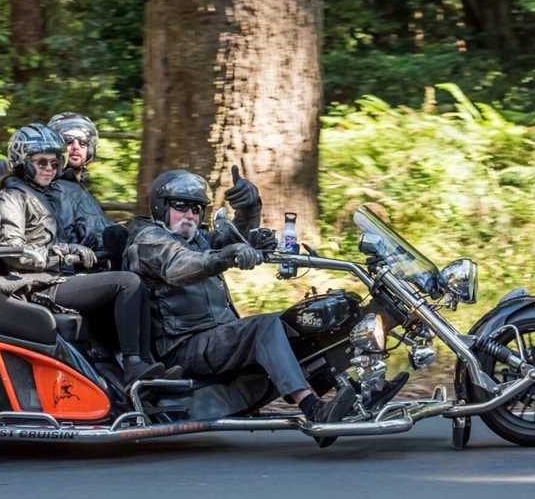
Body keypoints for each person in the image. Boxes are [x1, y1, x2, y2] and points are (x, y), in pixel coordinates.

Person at [123, 169, 359, 424]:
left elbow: (232, 237)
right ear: (161, 206)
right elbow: (182, 265)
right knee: (264, 326)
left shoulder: (197, 238)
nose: (190, 215)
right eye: (181, 206)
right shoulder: (149, 240)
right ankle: (313, 408)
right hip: (184, 345)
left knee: (301, 319)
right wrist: (226, 256)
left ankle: (355, 391)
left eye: (196, 208)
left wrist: (249, 208)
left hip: (216, 338)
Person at [0, 122, 164, 386]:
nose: (49, 168)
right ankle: (133, 365)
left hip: (62, 277)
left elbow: (74, 234)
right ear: (22, 162)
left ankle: (146, 365)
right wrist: (67, 252)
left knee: (138, 280)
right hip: (38, 285)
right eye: (41, 162)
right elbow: (14, 253)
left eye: (55, 163)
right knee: (126, 283)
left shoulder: (49, 195)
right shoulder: (9, 198)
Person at [45, 112, 115, 252]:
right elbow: (66, 238)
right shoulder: (59, 188)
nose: (76, 147)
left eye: (83, 141)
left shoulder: (77, 187)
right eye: (68, 141)